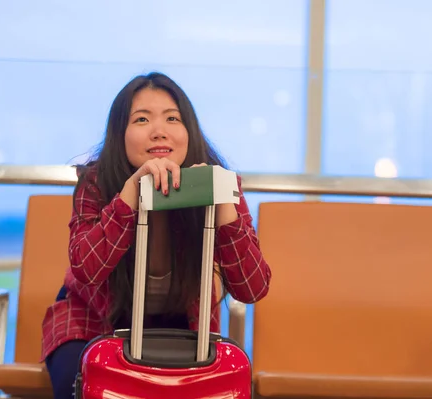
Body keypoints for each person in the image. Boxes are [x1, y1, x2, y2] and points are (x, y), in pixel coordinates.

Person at [40, 72, 272, 398]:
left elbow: (252, 287)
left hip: (181, 326)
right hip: (92, 322)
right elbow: (86, 269)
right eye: (142, 119)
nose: (159, 130)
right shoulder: (96, 182)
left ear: (189, 132)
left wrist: (223, 207)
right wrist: (130, 193)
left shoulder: (217, 182)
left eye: (172, 118)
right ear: (120, 134)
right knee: (82, 382)